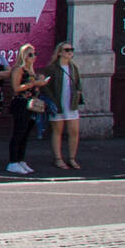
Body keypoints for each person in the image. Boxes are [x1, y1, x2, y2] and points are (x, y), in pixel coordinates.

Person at [4, 43, 46, 175]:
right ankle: (13, 161)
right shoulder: (19, 70)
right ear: (23, 56)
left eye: (35, 54)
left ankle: (21, 159)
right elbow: (16, 88)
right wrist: (33, 83)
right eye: (30, 54)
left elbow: (34, 87)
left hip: (32, 104)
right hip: (21, 103)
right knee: (18, 132)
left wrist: (40, 83)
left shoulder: (31, 70)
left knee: (26, 134)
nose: (33, 57)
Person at [46, 41, 85, 172]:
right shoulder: (52, 68)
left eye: (71, 50)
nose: (70, 52)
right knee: (58, 131)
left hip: (71, 103)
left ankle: (72, 158)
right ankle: (58, 158)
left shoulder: (73, 67)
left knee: (74, 131)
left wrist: (78, 93)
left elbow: (78, 83)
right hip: (58, 104)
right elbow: (46, 87)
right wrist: (52, 100)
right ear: (60, 52)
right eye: (67, 50)